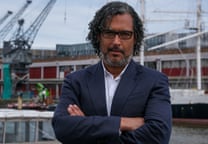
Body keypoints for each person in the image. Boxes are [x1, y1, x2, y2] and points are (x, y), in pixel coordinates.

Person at [52, 1, 172, 144]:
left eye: (125, 34)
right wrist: (122, 123)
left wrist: (87, 126)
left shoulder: (155, 81)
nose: (116, 42)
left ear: (136, 39)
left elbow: (158, 136)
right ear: (98, 36)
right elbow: (62, 127)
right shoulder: (75, 81)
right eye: (109, 33)